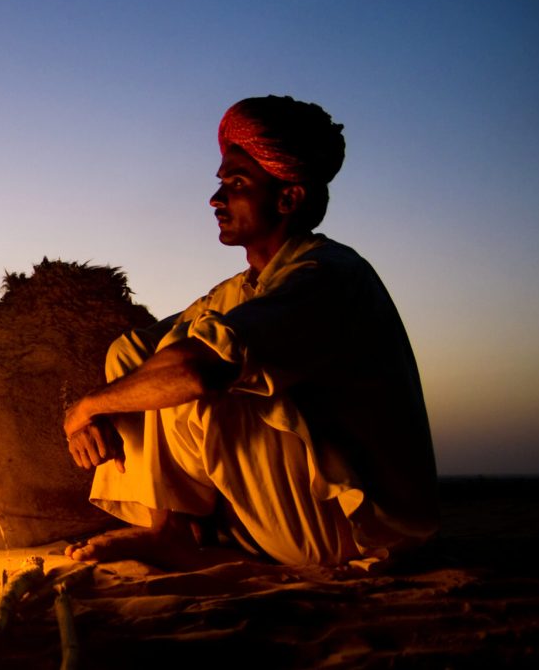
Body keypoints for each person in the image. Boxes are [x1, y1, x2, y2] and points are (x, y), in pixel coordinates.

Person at [62, 96, 437, 568]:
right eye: (220, 184)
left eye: (236, 184)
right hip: (282, 515)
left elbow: (199, 368)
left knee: (191, 363)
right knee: (136, 352)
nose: (216, 200)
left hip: (350, 531)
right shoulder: (244, 289)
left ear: (289, 197)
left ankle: (175, 534)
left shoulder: (328, 275)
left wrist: (86, 407)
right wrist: (104, 403)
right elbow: (137, 350)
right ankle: (169, 528)